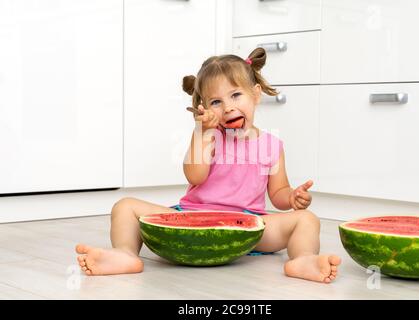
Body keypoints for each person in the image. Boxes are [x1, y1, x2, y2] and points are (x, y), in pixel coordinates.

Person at [75, 48, 341, 283]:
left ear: (256, 95)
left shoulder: (272, 145)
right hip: (193, 218)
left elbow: (278, 193)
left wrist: (292, 197)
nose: (227, 107)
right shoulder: (207, 135)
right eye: (216, 101)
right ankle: (125, 253)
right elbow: (195, 175)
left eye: (236, 95)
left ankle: (303, 258)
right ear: (204, 107)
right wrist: (202, 133)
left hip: (249, 225)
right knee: (124, 206)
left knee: (307, 219)